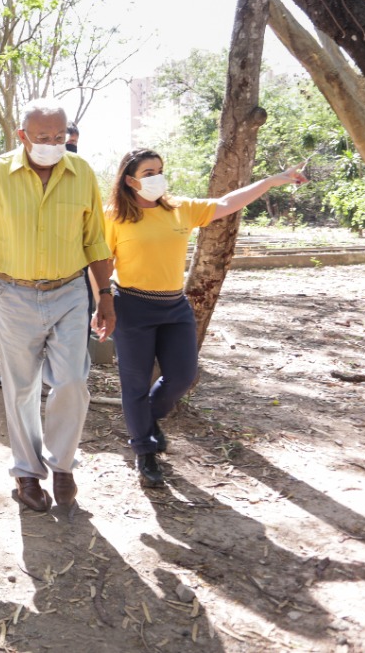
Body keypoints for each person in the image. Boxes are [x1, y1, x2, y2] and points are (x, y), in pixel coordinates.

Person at [105, 149, 307, 488]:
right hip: (132, 306)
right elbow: (100, 262)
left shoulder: (180, 209)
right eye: (148, 172)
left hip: (174, 306)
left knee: (183, 376)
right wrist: (98, 305)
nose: (157, 177)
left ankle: (148, 420)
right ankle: (144, 450)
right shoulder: (112, 216)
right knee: (135, 384)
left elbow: (228, 202)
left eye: (160, 170)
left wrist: (273, 180)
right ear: (130, 179)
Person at [0, 99, 114, 514]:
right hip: (13, 294)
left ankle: (62, 466)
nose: (52, 144)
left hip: (69, 293)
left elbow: (95, 239)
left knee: (73, 383)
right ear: (22, 136)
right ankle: (27, 473)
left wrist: (106, 296)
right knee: (21, 387)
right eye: (43, 138)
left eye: (59, 137)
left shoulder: (81, 175)